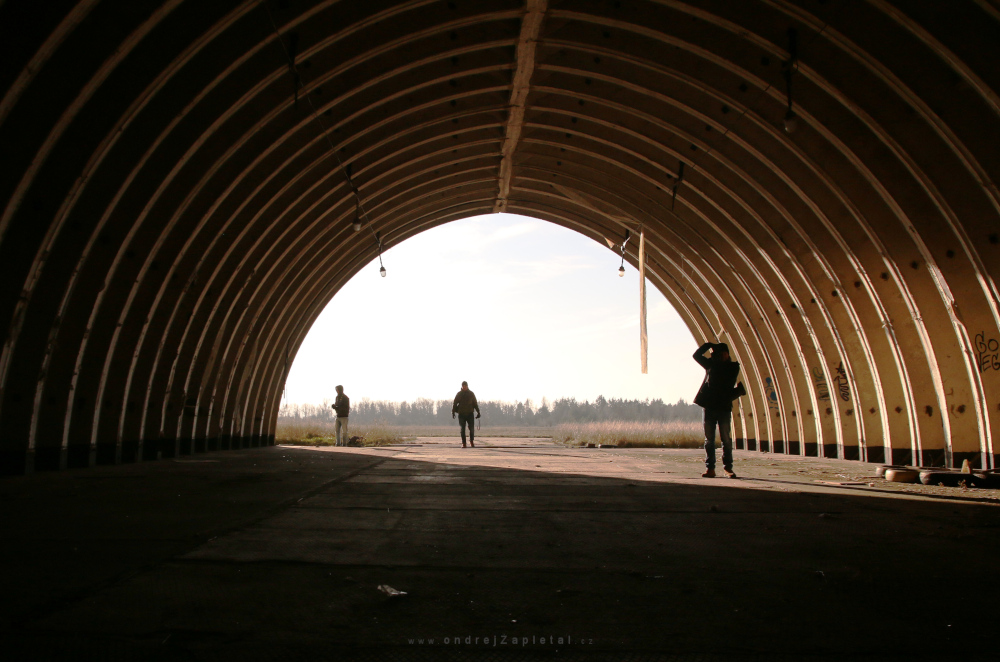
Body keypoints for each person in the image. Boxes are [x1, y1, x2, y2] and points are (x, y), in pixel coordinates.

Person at [693, 342, 741, 478]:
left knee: (725, 439)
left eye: (721, 354)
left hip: (723, 407)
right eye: (716, 354)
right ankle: (710, 468)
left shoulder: (732, 367)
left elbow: (726, 383)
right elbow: (696, 355)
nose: (718, 356)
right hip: (710, 407)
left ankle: (728, 468)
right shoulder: (711, 365)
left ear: (727, 354)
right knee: (709, 440)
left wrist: (713, 359)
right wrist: (708, 345)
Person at [452, 381, 480, 448]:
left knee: (471, 428)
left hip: (470, 413)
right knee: (462, 429)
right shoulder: (459, 394)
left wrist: (478, 412)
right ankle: (464, 443)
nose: (464, 387)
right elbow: (455, 403)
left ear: (467, 386)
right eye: (463, 386)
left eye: (465, 386)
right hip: (461, 414)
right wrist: (453, 412)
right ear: (462, 386)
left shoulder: (471, 394)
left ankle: (471, 441)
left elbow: (475, 404)